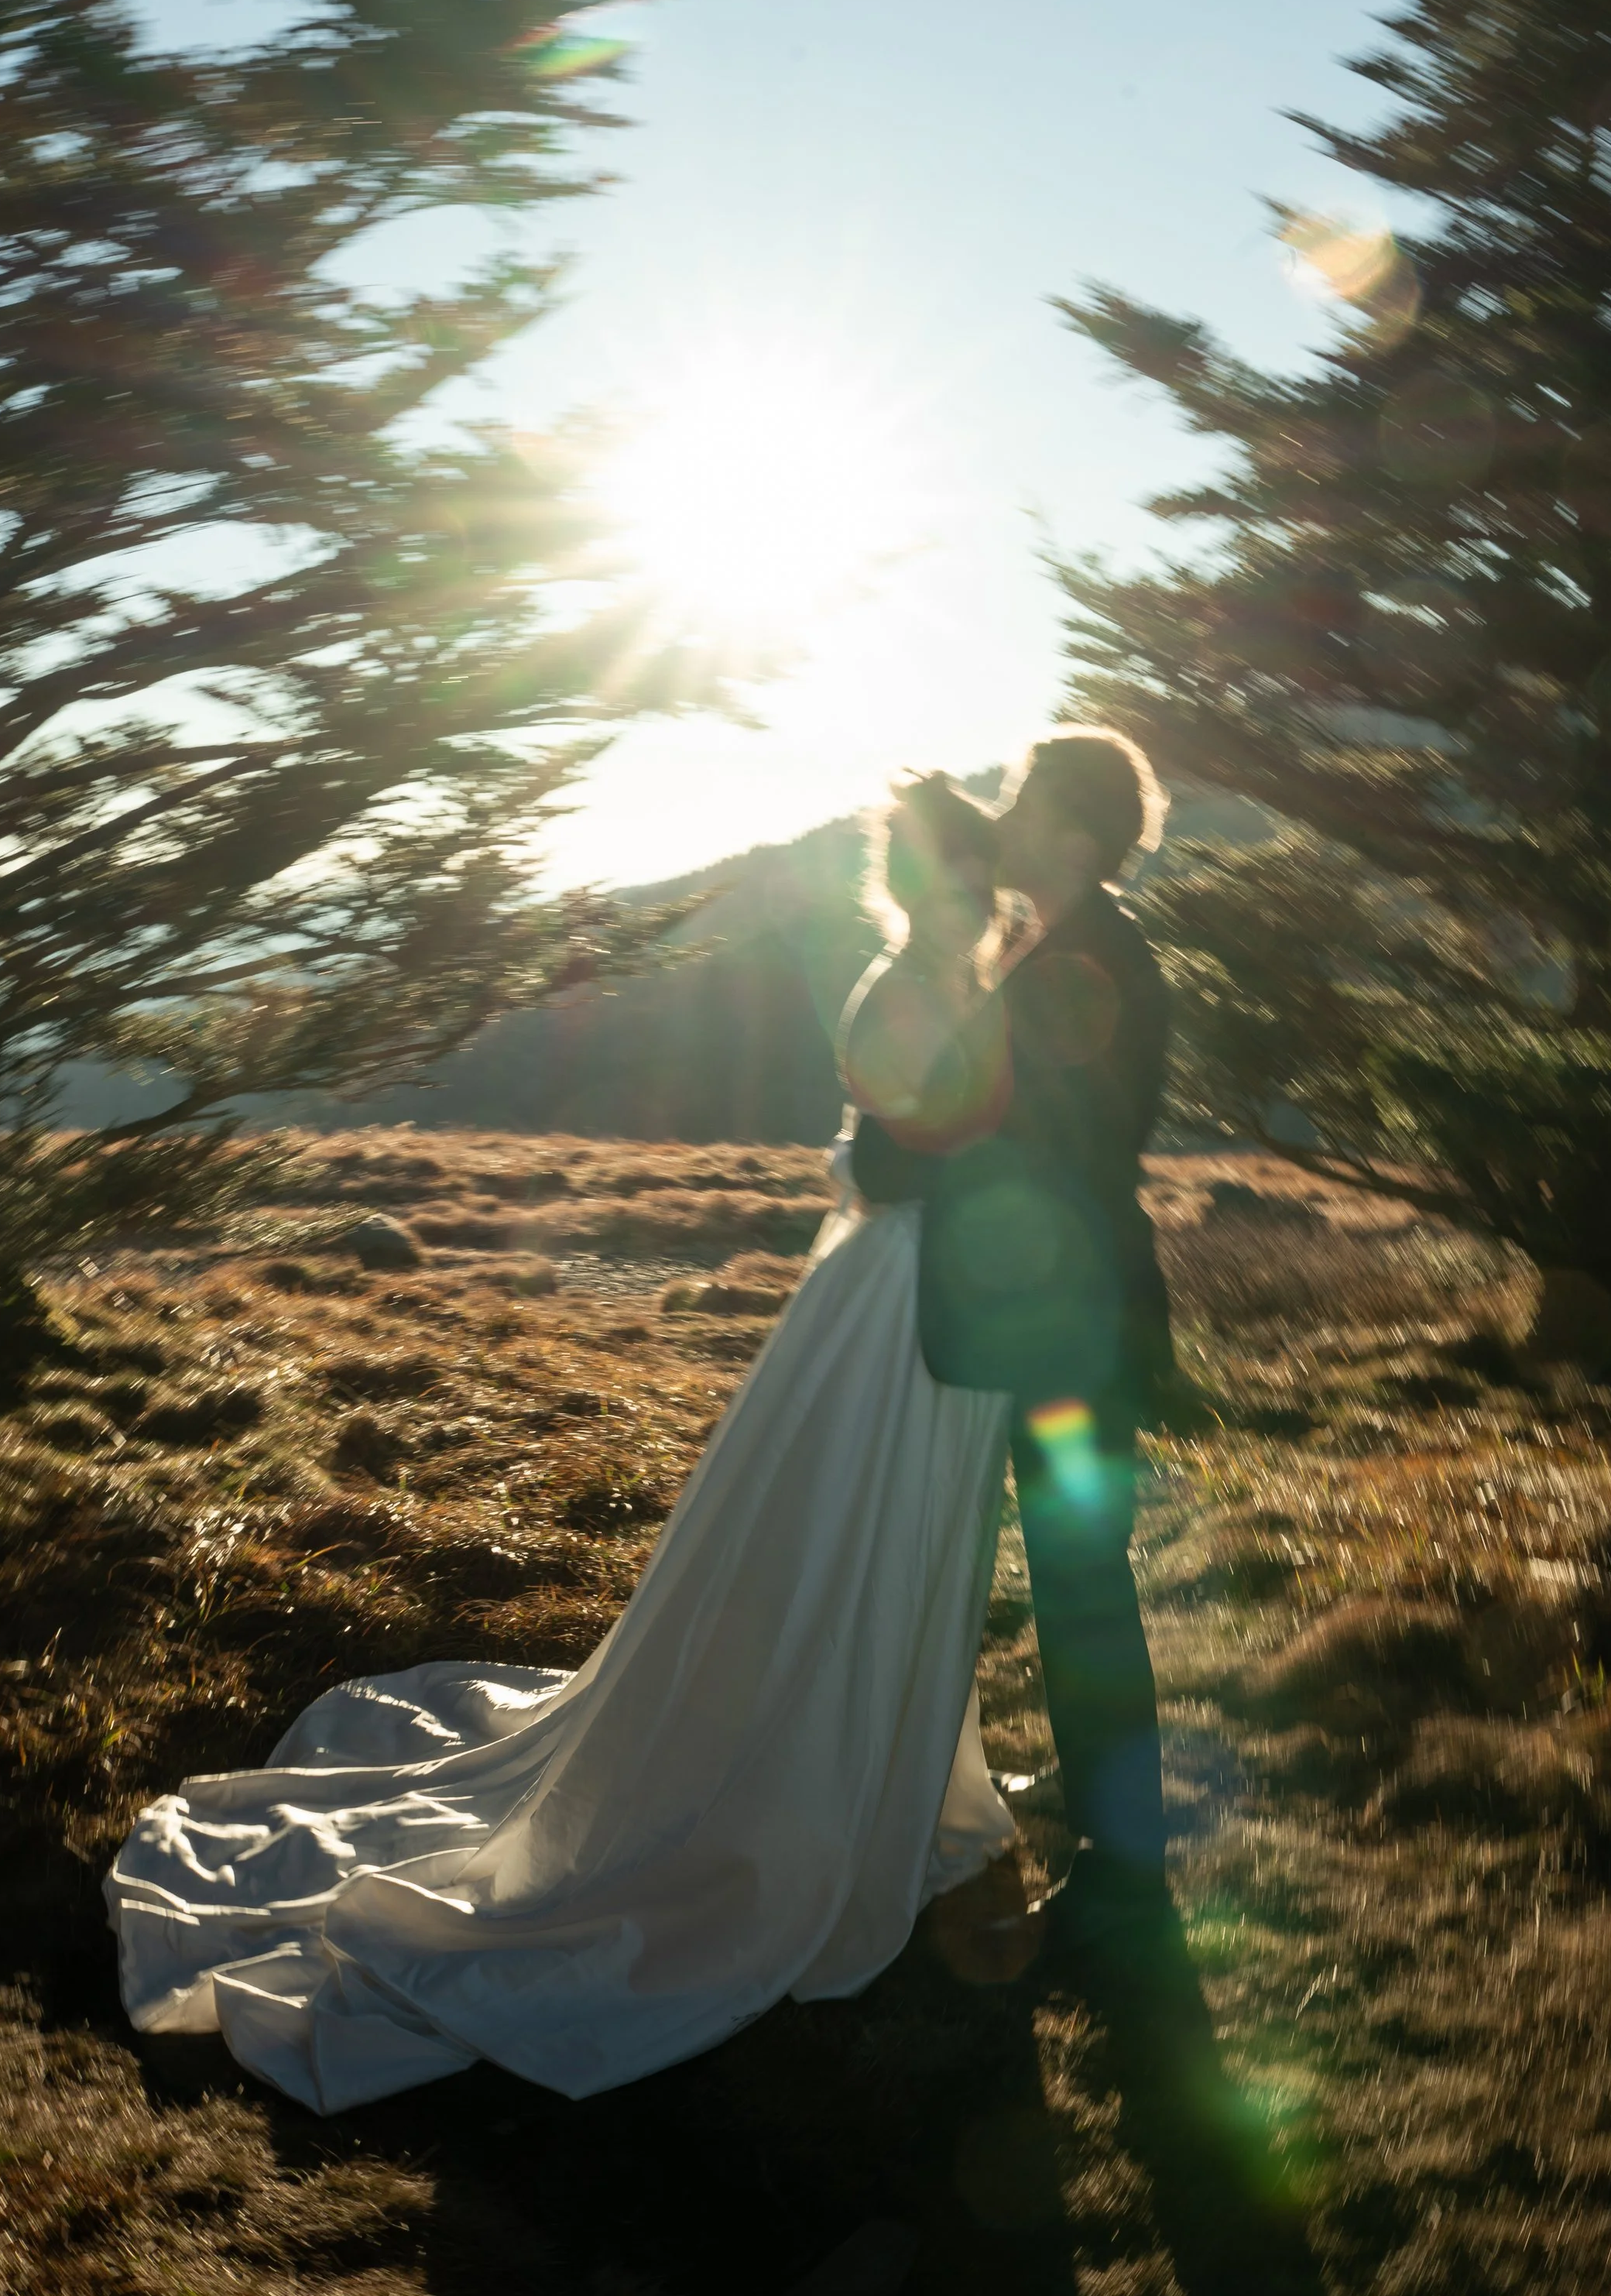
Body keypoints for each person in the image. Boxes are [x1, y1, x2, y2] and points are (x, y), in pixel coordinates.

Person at [106, 776, 1024, 2115]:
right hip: (895, 1297)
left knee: (890, 1535)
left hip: (929, 1297)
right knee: (840, 1526)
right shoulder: (911, 987)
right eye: (942, 875)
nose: (952, 896)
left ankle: (872, 1762)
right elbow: (889, 1161)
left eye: (964, 875)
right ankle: (808, 1774)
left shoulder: (957, 981)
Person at [850, 728, 1178, 1941]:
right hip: (1078, 1320)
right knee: (1079, 1577)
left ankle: (1123, 1870)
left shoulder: (1070, 977)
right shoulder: (1081, 951)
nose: (1005, 823)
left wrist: (883, 1145)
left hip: (1070, 1334)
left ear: (1076, 841)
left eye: (1025, 806)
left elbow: (961, 1138)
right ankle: (1106, 1810)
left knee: (1085, 1588)